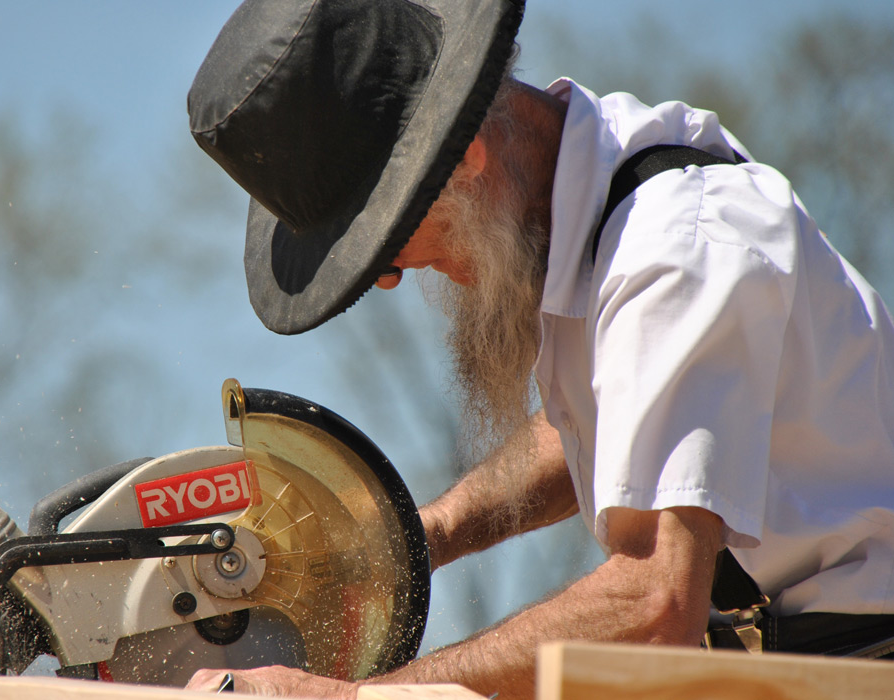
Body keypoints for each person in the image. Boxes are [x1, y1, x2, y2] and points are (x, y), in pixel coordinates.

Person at [183, 0, 894, 697]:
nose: (392, 276)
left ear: (466, 157)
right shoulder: (602, 207)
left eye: (383, 237)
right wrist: (425, 536)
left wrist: (354, 698)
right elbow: (629, 422)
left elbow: (654, 606)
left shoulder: (676, 252)